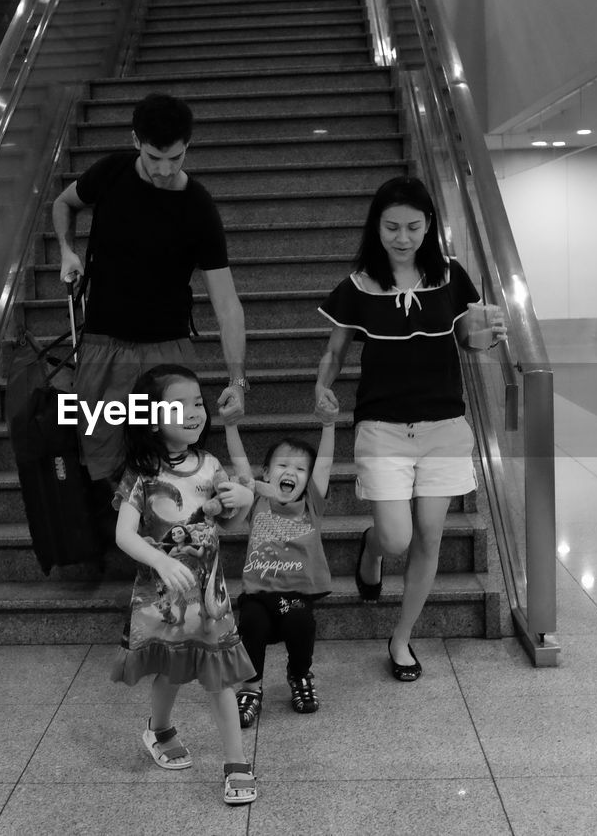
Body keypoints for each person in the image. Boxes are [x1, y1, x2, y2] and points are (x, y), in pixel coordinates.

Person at [315, 176, 505, 682]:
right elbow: (335, 349)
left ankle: (401, 639)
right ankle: (371, 547)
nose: (403, 237)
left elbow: (466, 336)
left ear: (429, 228)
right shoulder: (359, 284)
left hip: (444, 424)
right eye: (392, 227)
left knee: (429, 533)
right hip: (382, 426)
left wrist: (484, 340)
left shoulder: (449, 276)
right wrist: (322, 384)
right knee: (396, 538)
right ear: (376, 226)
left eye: (414, 227)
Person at [50, 93, 248, 547]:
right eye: (154, 157)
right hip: (104, 344)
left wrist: (238, 380)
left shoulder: (197, 206)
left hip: (167, 349)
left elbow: (227, 303)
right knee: (102, 451)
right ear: (135, 140)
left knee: (172, 453)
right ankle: (133, 547)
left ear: (189, 146)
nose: (163, 169)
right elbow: (64, 203)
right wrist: (66, 249)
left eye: (175, 157)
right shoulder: (112, 172)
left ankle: (169, 553)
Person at [111, 364, 258, 806]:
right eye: (179, 404)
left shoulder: (210, 464)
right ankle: (158, 730)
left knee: (219, 677)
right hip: (163, 597)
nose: (194, 411)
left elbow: (233, 518)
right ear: (150, 416)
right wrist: (158, 559)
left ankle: (236, 764)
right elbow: (123, 535)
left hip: (210, 598)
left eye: (198, 402)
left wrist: (243, 498)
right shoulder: (142, 473)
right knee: (171, 668)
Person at [223, 399, 337, 728]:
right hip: (259, 593)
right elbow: (239, 464)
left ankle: (300, 676)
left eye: (301, 469)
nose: (291, 472)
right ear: (267, 474)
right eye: (283, 466)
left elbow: (325, 466)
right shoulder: (257, 499)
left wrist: (329, 424)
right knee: (252, 625)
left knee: (300, 623)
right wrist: (230, 425)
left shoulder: (312, 504)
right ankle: (251, 687)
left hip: (296, 595)